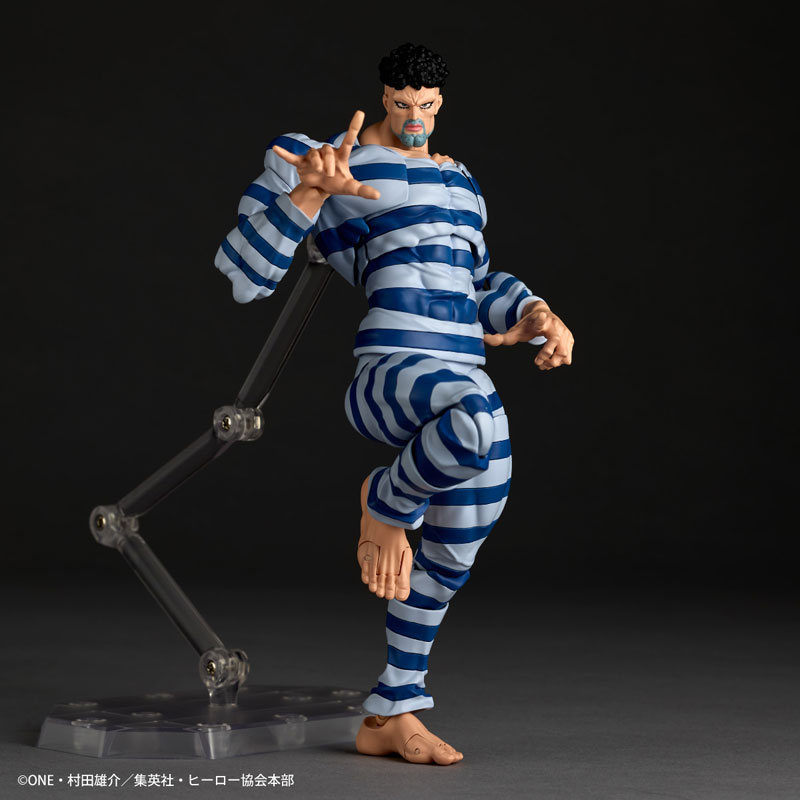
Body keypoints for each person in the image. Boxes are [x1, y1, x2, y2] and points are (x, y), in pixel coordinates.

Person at [215, 43, 574, 765]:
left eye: (428, 107)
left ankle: (392, 708)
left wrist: (534, 310)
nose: (416, 118)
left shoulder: (461, 181)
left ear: (441, 103)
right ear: (384, 96)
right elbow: (243, 275)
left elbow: (475, 282)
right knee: (475, 422)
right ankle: (384, 504)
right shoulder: (322, 157)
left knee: (462, 535)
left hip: (463, 372)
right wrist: (308, 195)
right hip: (390, 373)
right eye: (404, 104)